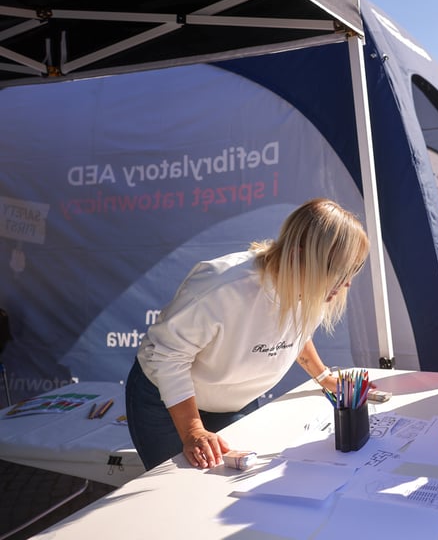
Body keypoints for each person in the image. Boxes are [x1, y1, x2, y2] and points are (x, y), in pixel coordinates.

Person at [126, 198, 370, 470]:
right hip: (169, 406)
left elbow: (294, 335)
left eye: (353, 270)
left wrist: (324, 377)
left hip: (234, 402)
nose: (347, 282)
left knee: (235, 487)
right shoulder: (223, 285)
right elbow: (168, 357)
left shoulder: (309, 285)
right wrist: (193, 430)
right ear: (301, 255)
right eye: (340, 270)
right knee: (177, 494)